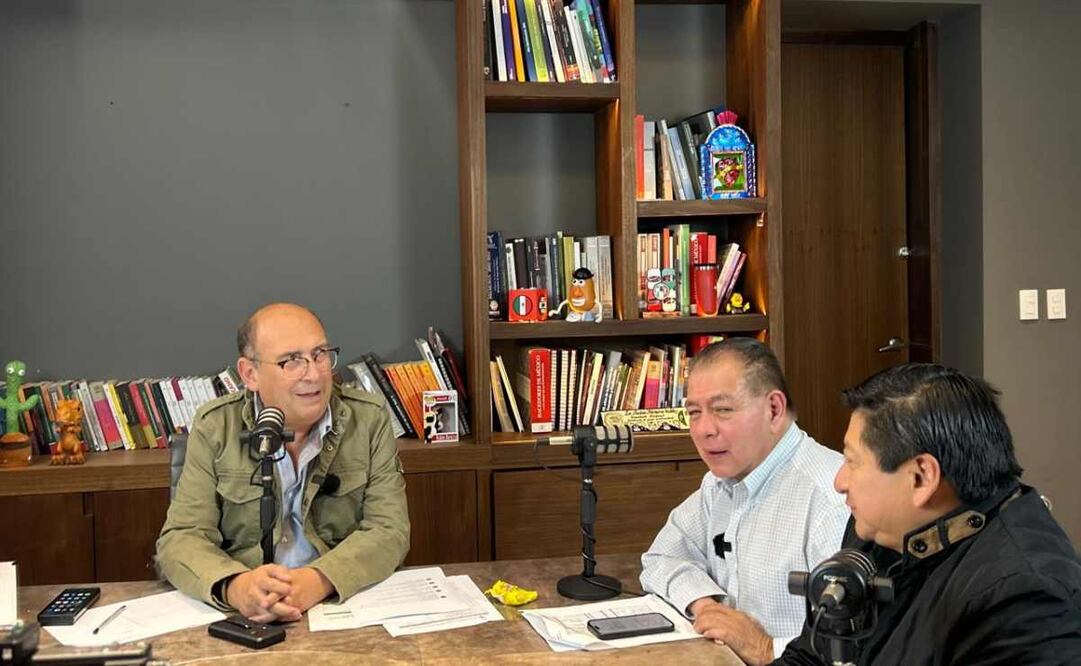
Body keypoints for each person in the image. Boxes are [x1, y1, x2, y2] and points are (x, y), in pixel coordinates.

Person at [778, 363, 1081, 664]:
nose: (839, 482)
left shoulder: (1026, 600)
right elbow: (811, 656)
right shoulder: (878, 529)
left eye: (852, 462)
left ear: (921, 477)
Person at [157, 303, 409, 623]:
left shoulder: (369, 419)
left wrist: (318, 580)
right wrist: (236, 587)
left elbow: (389, 530)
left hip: (336, 605)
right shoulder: (215, 427)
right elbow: (181, 537)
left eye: (320, 355)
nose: (314, 374)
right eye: (292, 361)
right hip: (244, 617)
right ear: (250, 374)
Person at [640, 338, 849, 664]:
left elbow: (853, 647)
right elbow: (662, 558)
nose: (704, 430)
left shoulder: (833, 498)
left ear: (773, 409)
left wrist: (765, 647)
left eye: (723, 410)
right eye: (694, 413)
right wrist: (706, 606)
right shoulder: (719, 483)